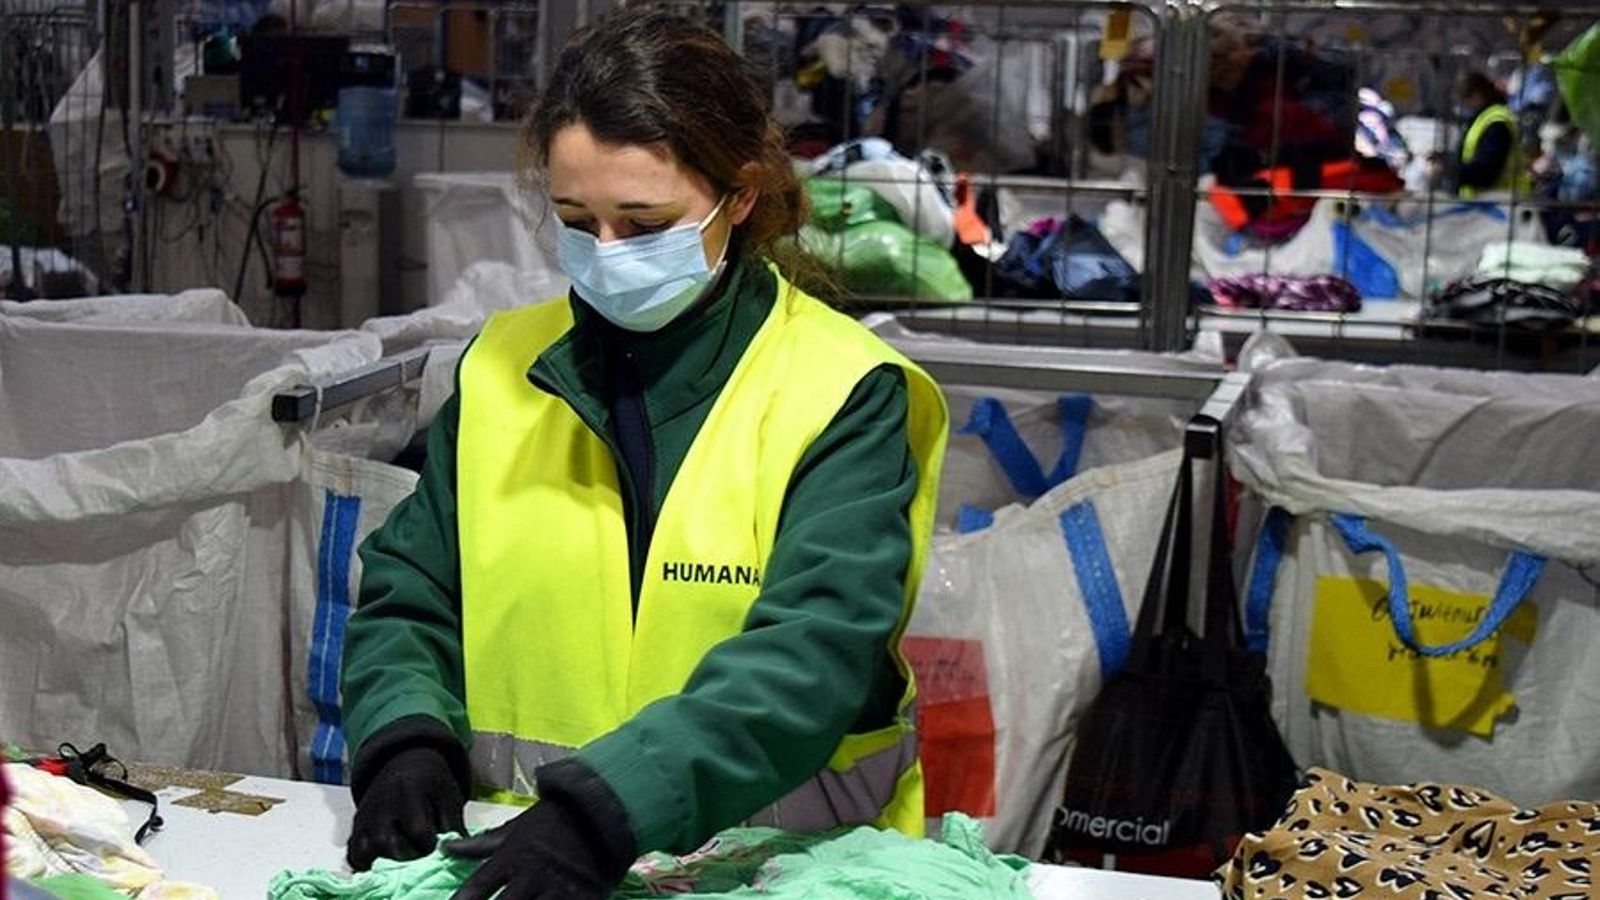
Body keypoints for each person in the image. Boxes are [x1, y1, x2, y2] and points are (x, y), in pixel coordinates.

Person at [337, 10, 949, 900]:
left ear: (739, 198)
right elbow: (412, 591)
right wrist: (406, 739)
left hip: (783, 877)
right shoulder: (505, 368)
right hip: (527, 865)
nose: (606, 253)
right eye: (576, 220)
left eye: (645, 220)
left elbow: (811, 657)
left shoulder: (842, 392)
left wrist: (602, 810)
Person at [1455, 71, 1527, 198]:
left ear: (1477, 95)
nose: (1462, 105)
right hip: (1485, 205)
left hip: (1500, 204)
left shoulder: (1497, 123)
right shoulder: (1481, 118)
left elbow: (1487, 172)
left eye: (1464, 99)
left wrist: (1450, 172)